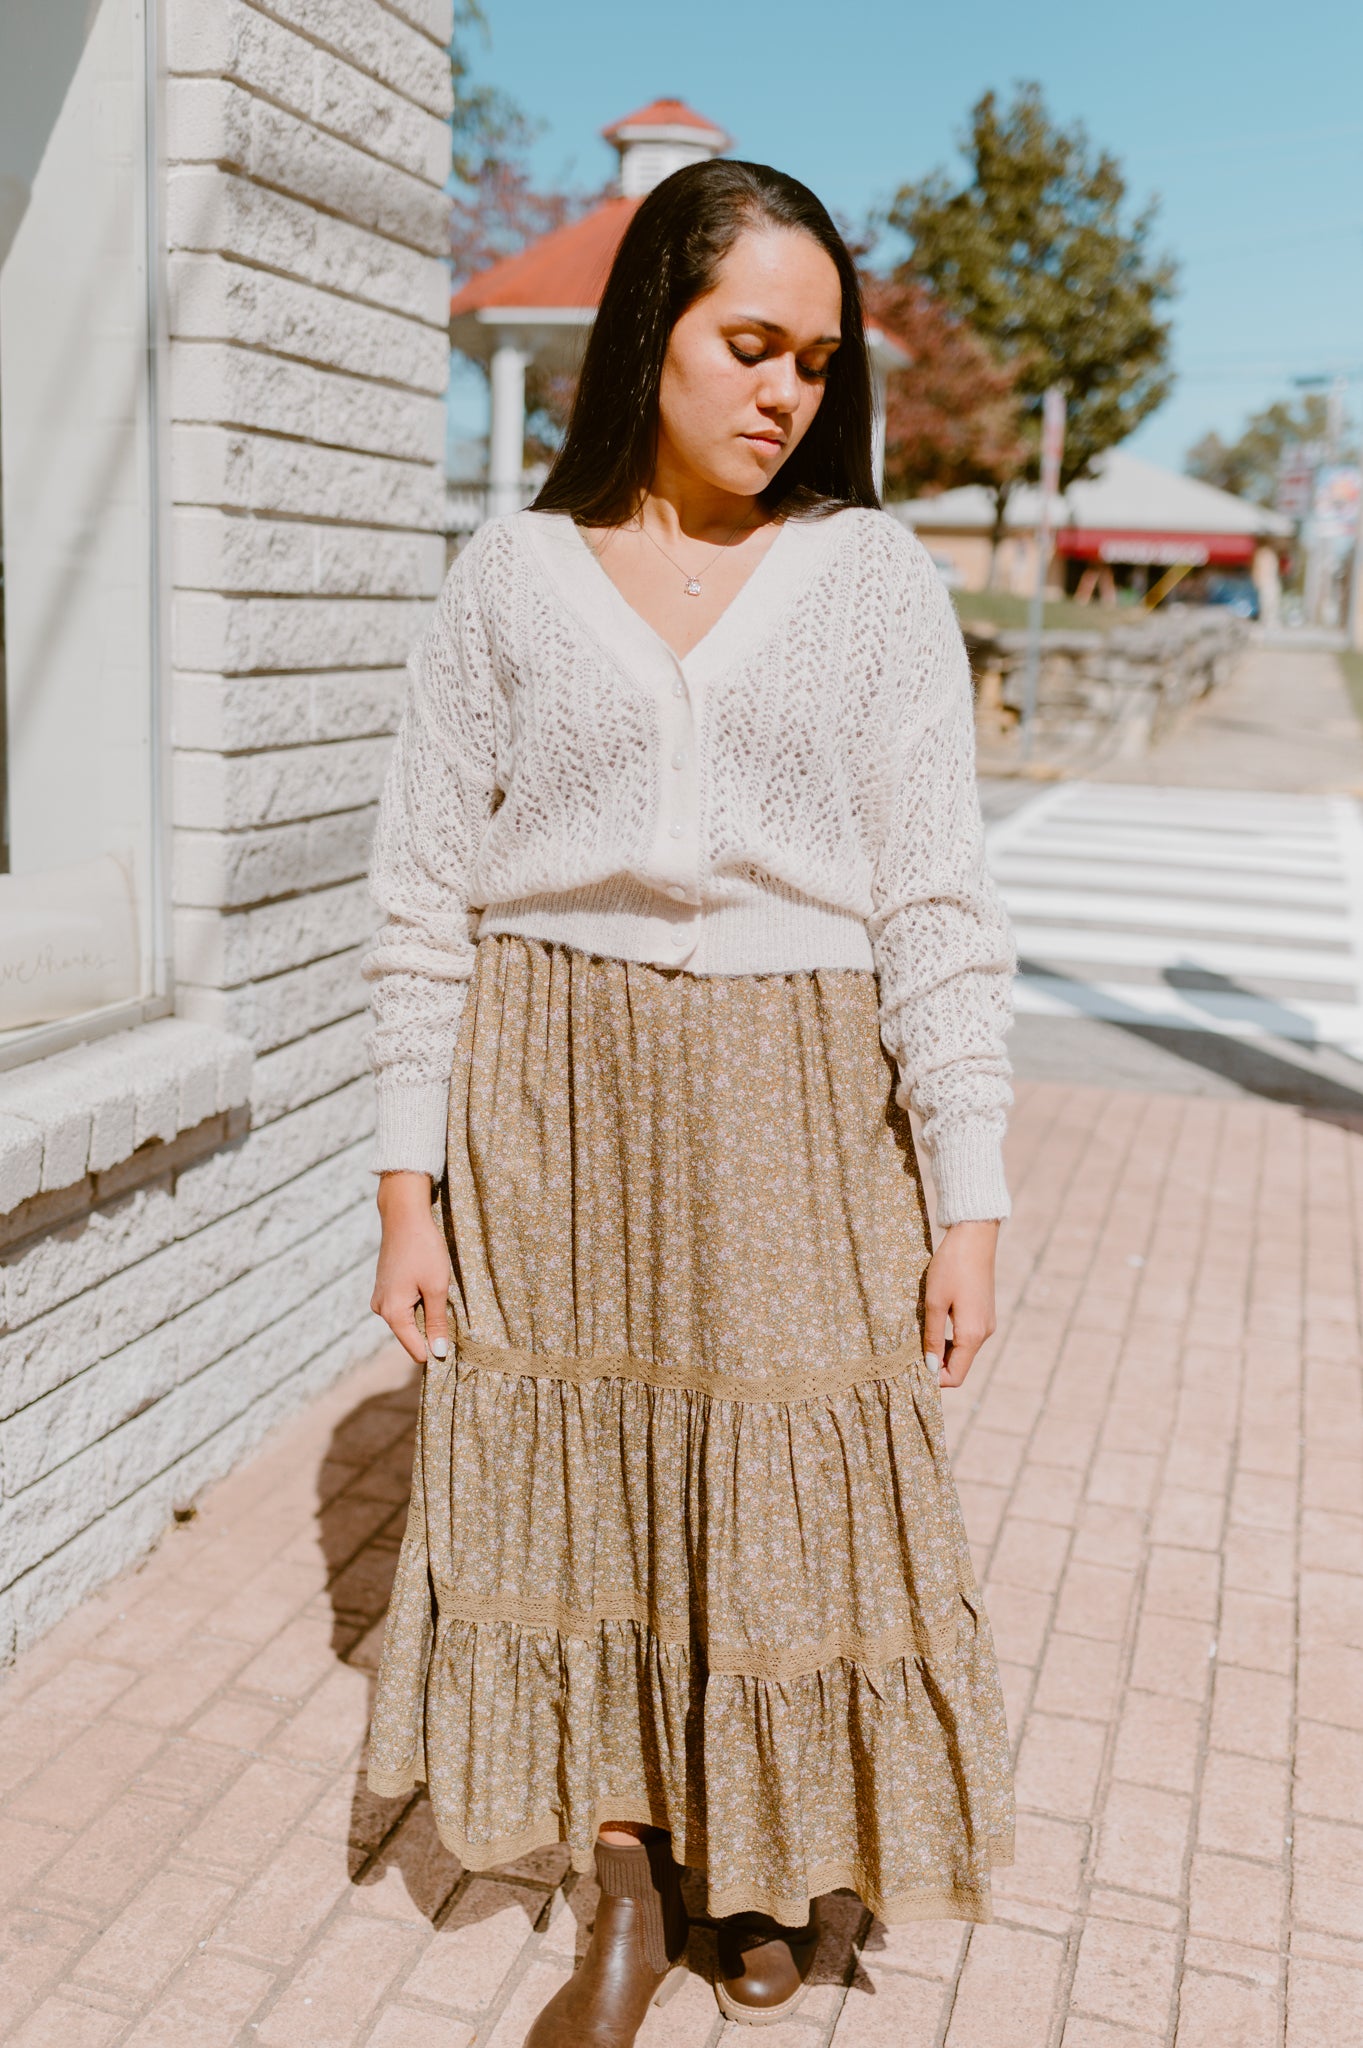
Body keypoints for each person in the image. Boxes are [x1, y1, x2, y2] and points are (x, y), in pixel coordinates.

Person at [361, 157, 1016, 2045]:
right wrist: (409, 1186)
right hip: (551, 1087)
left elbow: (937, 895)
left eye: (814, 361)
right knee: (582, 1488)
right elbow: (421, 889)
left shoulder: (871, 577)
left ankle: (773, 1847)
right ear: (649, 330)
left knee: (793, 1475)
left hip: (804, 1090)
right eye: (749, 343)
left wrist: (968, 1191)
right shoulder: (506, 575)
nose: (784, 393)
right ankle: (641, 1885)